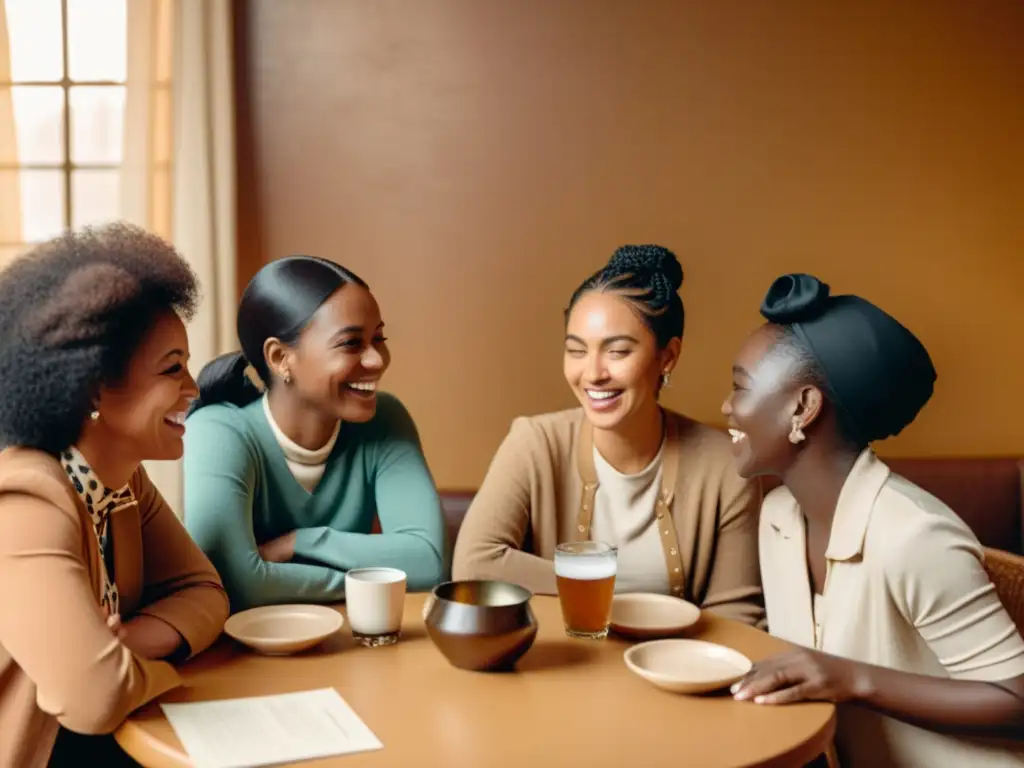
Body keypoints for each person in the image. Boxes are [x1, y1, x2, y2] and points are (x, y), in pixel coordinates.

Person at [723, 273, 1024, 766]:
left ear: (802, 408)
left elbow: (1018, 698)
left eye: (740, 388)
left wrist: (852, 679)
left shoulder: (914, 536)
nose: (727, 407)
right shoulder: (778, 518)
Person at [0, 224, 230, 768]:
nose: (194, 389)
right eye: (172, 368)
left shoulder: (122, 479)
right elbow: (95, 699)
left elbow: (204, 591)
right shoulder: (24, 500)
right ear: (94, 389)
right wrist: (146, 671)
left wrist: (126, 642)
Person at [452, 245, 763, 626]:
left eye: (617, 351)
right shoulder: (535, 442)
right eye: (576, 350)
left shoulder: (725, 467)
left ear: (667, 357)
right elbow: (473, 564)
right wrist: (616, 593)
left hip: (675, 675)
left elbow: (739, 619)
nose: (593, 373)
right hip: (562, 671)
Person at [183, 255, 445, 612]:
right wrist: (371, 584)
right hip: (245, 658)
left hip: (353, 646)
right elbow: (237, 585)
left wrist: (301, 543)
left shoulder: (385, 419)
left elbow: (427, 562)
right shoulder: (217, 432)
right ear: (279, 358)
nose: (377, 360)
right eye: (351, 343)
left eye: (379, 338)